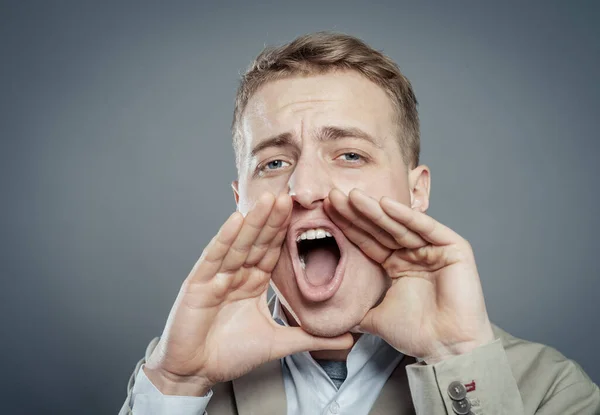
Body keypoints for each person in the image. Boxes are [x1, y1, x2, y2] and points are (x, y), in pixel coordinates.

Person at [119, 32, 599, 415]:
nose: (305, 188)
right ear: (240, 200)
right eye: (273, 163)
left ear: (416, 192)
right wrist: (176, 386)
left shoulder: (552, 390)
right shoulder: (174, 377)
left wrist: (458, 360)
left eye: (350, 155)